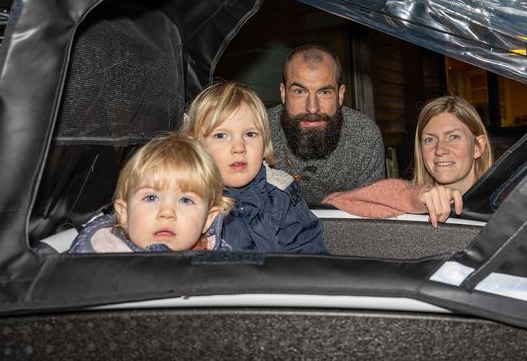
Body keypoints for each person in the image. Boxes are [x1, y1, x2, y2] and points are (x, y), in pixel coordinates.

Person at [182, 81, 327, 254]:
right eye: (221, 135)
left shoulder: (281, 194)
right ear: (195, 146)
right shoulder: (186, 197)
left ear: (265, 143)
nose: (239, 147)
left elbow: (310, 259)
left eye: (250, 134)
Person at [323, 96, 493, 227]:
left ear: (478, 146)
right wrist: (417, 198)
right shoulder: (412, 201)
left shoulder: (503, 204)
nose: (440, 150)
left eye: (453, 137)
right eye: (429, 140)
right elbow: (333, 203)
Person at [69, 133, 232, 253]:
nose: (167, 212)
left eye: (186, 200)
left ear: (208, 220)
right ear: (124, 213)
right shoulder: (98, 259)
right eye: (151, 197)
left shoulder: (219, 263)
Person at [268, 44, 385, 204]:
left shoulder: (365, 136)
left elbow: (372, 219)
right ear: (283, 93)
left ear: (340, 95)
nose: (312, 108)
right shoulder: (258, 131)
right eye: (299, 91)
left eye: (324, 92)